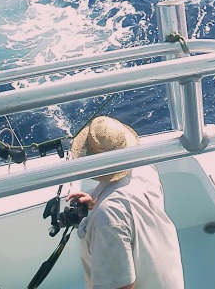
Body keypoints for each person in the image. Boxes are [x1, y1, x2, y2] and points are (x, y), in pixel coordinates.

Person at [67, 116, 184, 289]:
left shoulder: (107, 217)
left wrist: (100, 211)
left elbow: (122, 286)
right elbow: (129, 209)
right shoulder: (144, 168)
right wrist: (96, 202)